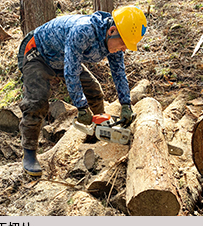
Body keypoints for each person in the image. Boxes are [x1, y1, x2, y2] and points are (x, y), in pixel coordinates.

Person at [17, 5, 147, 176]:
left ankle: (99, 131)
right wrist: (81, 107)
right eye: (123, 43)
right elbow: (71, 72)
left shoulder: (115, 40)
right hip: (37, 53)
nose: (123, 48)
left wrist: (125, 104)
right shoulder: (84, 31)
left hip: (63, 58)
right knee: (37, 101)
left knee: (94, 91)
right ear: (112, 30)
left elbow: (119, 73)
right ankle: (29, 154)